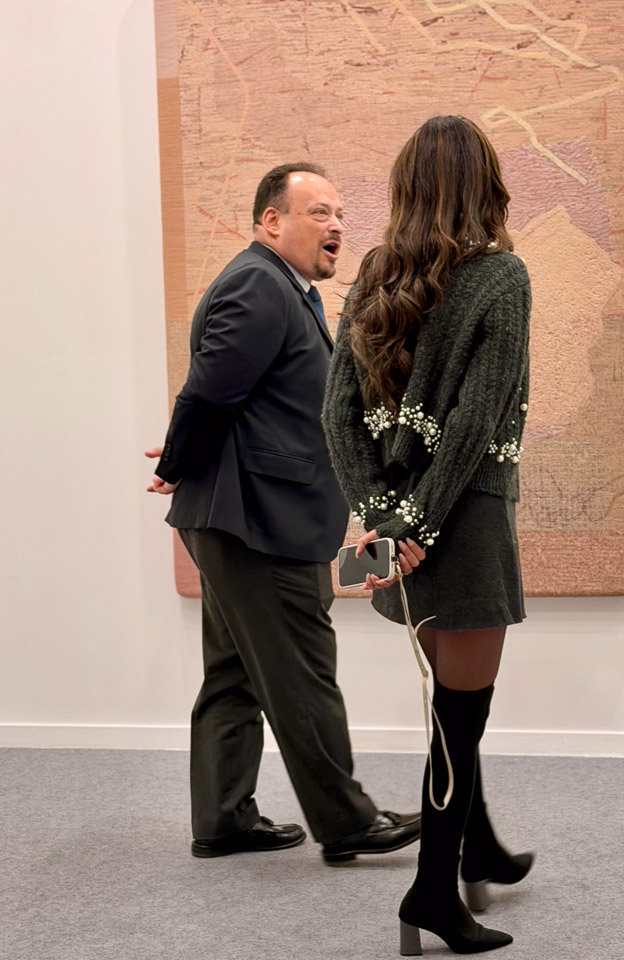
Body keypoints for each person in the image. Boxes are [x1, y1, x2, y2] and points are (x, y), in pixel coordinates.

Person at [145, 163, 423, 863]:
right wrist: (177, 461)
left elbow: (244, 400)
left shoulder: (286, 290)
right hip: (258, 522)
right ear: (271, 221)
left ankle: (223, 819)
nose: (337, 226)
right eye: (319, 212)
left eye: (340, 214)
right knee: (303, 671)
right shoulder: (260, 284)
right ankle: (348, 821)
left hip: (244, 515)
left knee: (234, 673)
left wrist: (190, 452)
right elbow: (210, 391)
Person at [322, 117, 533, 953]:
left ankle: (478, 850)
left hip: (405, 528)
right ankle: (431, 896)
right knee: (459, 717)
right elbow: (477, 421)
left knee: (452, 708)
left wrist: (387, 519)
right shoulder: (503, 276)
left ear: (407, 186)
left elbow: (338, 416)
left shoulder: (377, 273)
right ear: (486, 184)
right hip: (466, 521)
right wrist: (418, 524)